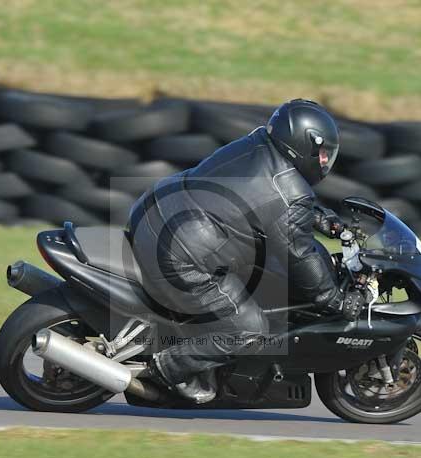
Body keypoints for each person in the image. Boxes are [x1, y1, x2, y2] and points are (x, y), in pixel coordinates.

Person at [128, 99, 357, 404]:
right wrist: (334, 299)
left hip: (152, 212)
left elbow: (271, 200)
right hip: (180, 255)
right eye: (322, 152)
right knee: (250, 330)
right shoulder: (289, 190)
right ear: (302, 146)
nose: (325, 160)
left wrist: (322, 218)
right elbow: (299, 253)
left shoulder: (256, 144)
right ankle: (168, 370)